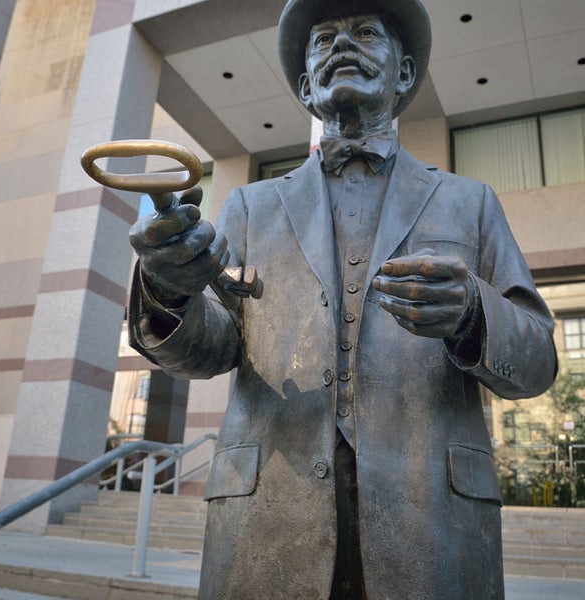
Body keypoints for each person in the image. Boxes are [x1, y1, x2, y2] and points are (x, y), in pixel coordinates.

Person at [128, 0, 557, 598]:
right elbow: (213, 347)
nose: (341, 45)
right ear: (307, 85)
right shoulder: (250, 207)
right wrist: (167, 290)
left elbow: (537, 359)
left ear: (404, 74)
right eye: (323, 38)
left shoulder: (470, 203)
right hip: (271, 519)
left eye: (365, 32)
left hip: (430, 525)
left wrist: (473, 313)